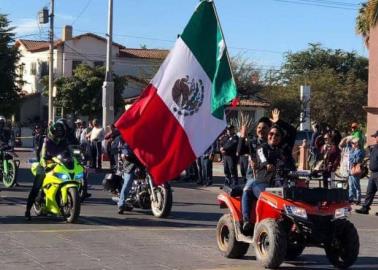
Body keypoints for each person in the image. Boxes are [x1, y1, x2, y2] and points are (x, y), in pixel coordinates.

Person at [241, 125, 286, 233]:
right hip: (261, 182)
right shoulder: (262, 147)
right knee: (267, 196)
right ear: (268, 135)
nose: (274, 136)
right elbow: (262, 158)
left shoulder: (282, 151)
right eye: (271, 134)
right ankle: (247, 220)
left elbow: (288, 163)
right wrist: (267, 164)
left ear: (280, 138)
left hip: (278, 183)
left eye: (277, 135)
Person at [25, 120, 69, 220]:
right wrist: (45, 163)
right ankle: (27, 211)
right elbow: (43, 153)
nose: (59, 134)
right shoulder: (47, 140)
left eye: (61, 132)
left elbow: (69, 151)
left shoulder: (64, 141)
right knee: (36, 187)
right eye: (57, 132)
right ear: (52, 132)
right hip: (45, 164)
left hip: (59, 163)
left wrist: (75, 158)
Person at [356, 131, 378, 215]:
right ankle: (365, 208)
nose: (375, 138)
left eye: (376, 136)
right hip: (373, 173)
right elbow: (370, 157)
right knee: (369, 192)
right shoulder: (375, 147)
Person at [116, 138, 141, 214]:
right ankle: (121, 204)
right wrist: (127, 154)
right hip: (130, 164)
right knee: (128, 181)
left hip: (142, 164)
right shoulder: (128, 140)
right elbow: (125, 150)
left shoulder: (145, 140)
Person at [339, 137, 364, 204]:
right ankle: (351, 198)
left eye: (353, 143)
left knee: (356, 185)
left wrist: (350, 160)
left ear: (357, 144)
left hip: (355, 169)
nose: (351, 144)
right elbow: (343, 145)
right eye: (351, 143)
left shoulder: (359, 151)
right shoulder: (352, 150)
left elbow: (357, 160)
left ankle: (358, 199)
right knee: (351, 185)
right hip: (350, 169)